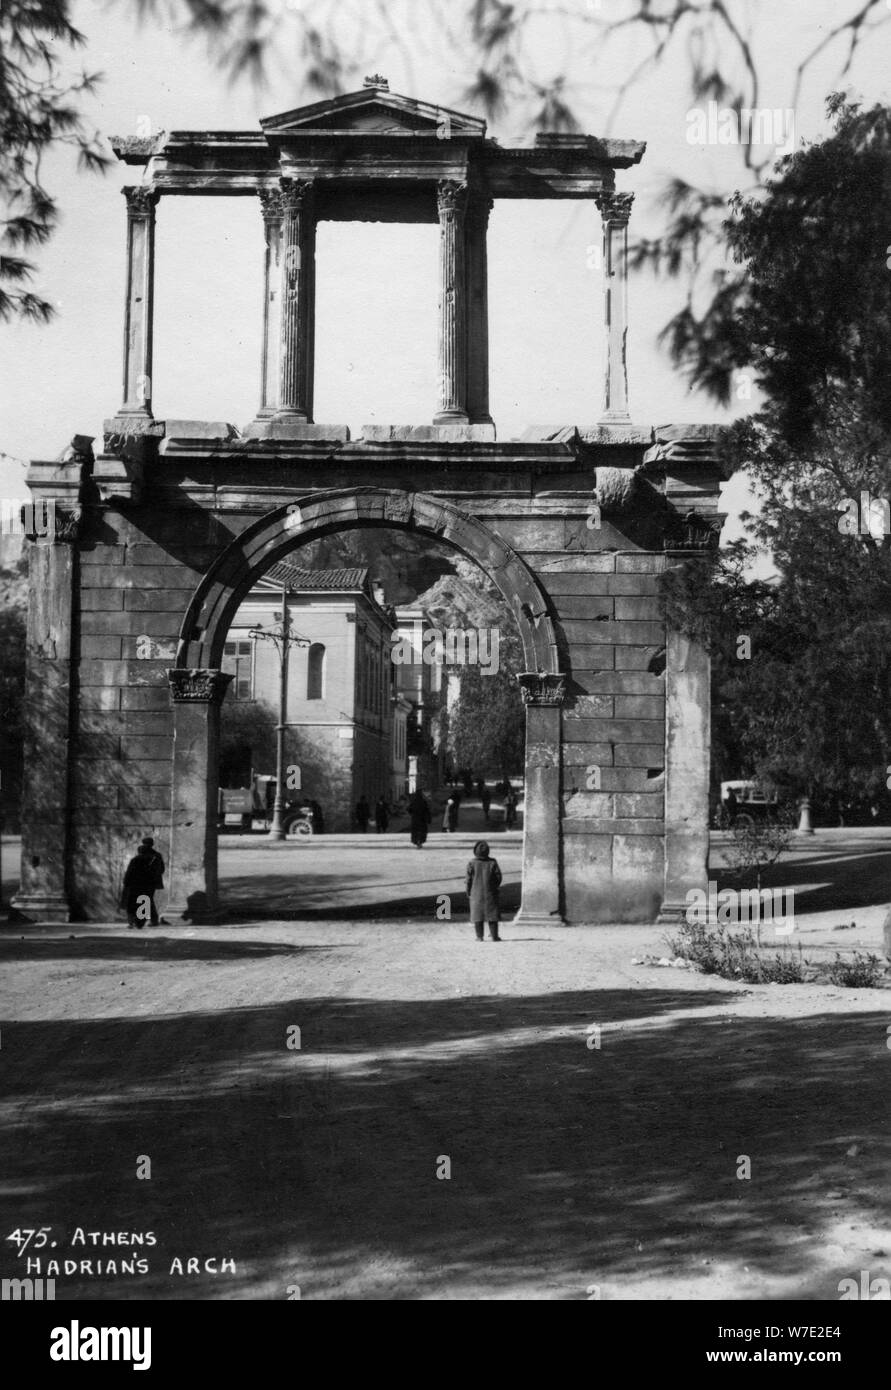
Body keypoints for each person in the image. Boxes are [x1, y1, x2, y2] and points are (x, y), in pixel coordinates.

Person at [466, 840, 502, 942]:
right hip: (491, 892)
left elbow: (468, 880)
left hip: (476, 893)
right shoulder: (493, 862)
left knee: (478, 916)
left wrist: (468, 891)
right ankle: (495, 936)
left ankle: (479, 936)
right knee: (492, 915)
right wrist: (494, 886)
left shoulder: (471, 863)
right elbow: (499, 877)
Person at [120, 844, 157, 929]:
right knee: (144, 902)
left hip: (134, 886)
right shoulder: (151, 861)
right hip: (145, 886)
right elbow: (153, 874)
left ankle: (131, 922)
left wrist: (126, 883)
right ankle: (140, 923)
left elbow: (129, 872)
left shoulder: (135, 860)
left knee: (132, 903)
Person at [140, 836, 166, 925]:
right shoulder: (157, 855)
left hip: (146, 881)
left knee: (146, 899)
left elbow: (161, 869)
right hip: (150, 881)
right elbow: (162, 869)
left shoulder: (143, 855)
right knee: (147, 899)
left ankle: (150, 920)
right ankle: (151, 920)